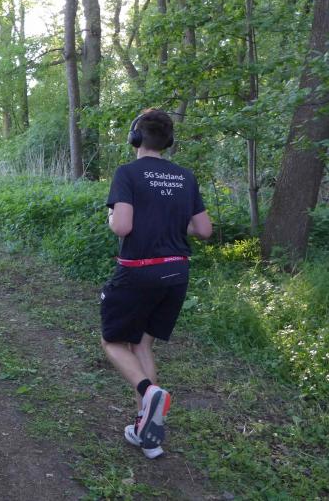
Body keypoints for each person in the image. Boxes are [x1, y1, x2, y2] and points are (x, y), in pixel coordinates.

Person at [101, 108, 212, 459]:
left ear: (135, 138)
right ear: (168, 141)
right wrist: (173, 222)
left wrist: (111, 216)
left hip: (139, 272)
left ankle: (148, 391)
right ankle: (147, 434)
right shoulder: (185, 176)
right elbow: (204, 229)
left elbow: (122, 227)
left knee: (113, 342)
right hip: (176, 274)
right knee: (142, 344)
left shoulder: (127, 173)